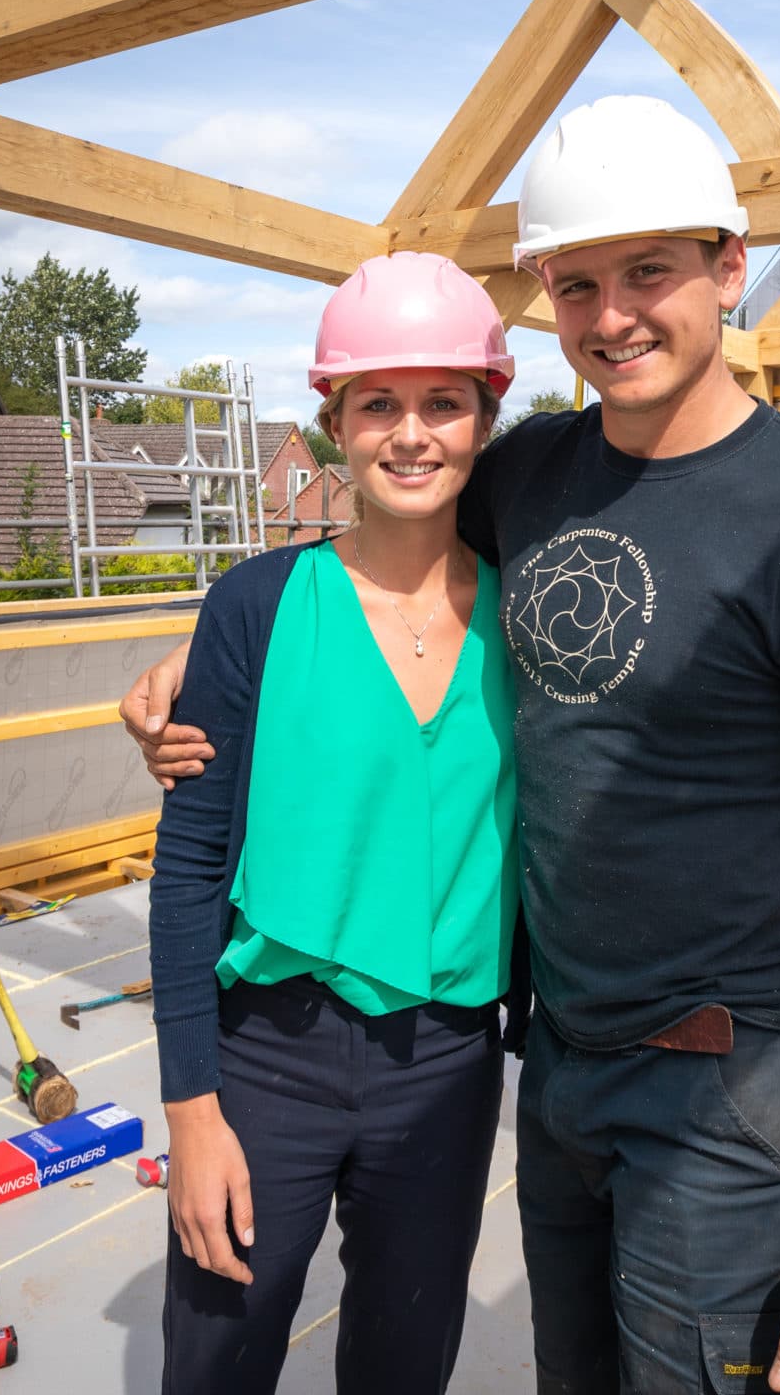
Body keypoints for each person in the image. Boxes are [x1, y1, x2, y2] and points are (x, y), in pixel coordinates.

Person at [129, 101, 780, 1395]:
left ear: (730, 269)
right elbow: (386, 561)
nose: (614, 314)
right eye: (577, 283)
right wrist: (212, 662)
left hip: (723, 1089)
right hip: (555, 1068)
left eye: (650, 272)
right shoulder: (531, 478)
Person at [148, 253, 521, 1395]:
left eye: (444, 403)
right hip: (270, 1052)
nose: (411, 435)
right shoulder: (258, 609)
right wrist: (193, 1108)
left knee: (406, 1361)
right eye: (379, 404)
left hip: (447, 1059)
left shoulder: (535, 613)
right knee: (221, 1350)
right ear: (335, 428)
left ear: (484, 422)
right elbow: (190, 869)